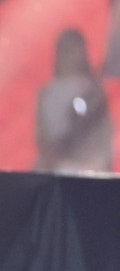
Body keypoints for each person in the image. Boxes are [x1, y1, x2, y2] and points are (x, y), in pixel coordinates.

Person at [36, 26, 113, 173]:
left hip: (90, 167)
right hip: (54, 168)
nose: (70, 55)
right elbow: (42, 136)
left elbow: (102, 132)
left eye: (74, 49)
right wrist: (53, 158)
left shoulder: (93, 90)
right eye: (66, 49)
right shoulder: (46, 93)